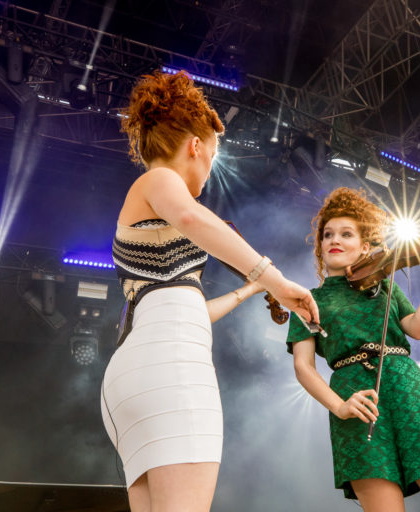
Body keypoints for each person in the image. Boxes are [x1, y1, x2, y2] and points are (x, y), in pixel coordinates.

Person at [100, 70, 319, 512]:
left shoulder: (153, 206)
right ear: (196, 146)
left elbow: (183, 307)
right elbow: (194, 220)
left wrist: (250, 290)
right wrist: (276, 279)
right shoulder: (159, 180)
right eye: (212, 156)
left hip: (138, 373)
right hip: (169, 367)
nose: (210, 170)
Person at [286, 187, 420, 512]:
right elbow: (303, 367)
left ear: (365, 246)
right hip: (356, 401)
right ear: (321, 246)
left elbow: (418, 327)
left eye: (346, 234)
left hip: (406, 387)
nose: (334, 239)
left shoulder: (384, 287)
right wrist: (339, 406)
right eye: (328, 234)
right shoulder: (308, 300)